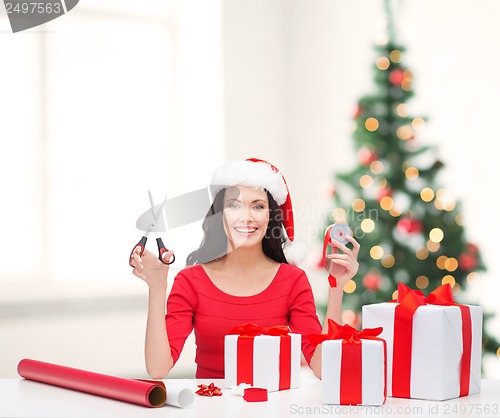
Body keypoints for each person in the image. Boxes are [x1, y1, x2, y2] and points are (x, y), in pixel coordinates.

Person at [130, 158, 360, 379]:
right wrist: (157, 286)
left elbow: (324, 368)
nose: (247, 217)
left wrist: (336, 287)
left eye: (258, 206)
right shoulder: (191, 281)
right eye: (234, 206)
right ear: (220, 216)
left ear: (270, 216)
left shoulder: (292, 280)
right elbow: (158, 368)